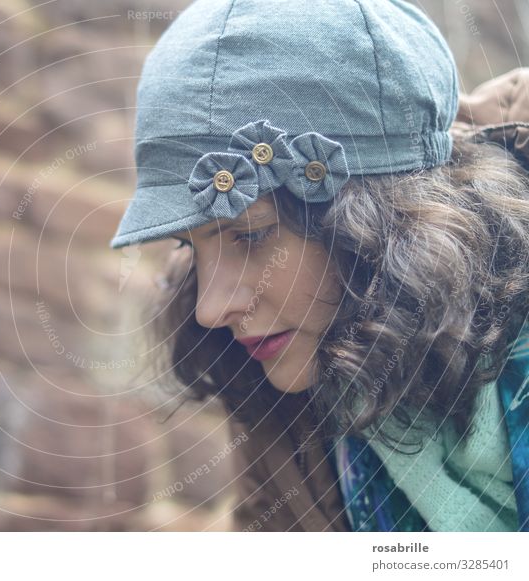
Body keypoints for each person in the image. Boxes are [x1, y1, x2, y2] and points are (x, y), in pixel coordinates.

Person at [108, 0, 529, 532]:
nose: (210, 309)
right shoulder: (278, 403)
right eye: (192, 248)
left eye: (251, 235)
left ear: (395, 221)